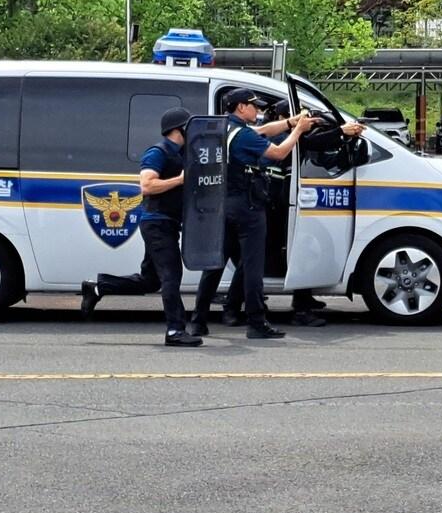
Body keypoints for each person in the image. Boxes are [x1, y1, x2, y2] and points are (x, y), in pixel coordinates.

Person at [220, 99, 365, 328]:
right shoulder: (269, 136)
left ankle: (299, 302)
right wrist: (338, 132)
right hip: (271, 207)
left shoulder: (258, 131)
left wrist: (342, 137)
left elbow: (316, 150)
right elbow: (302, 144)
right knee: (254, 259)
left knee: (275, 255)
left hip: (277, 205)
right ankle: (238, 308)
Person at [189, 89, 313, 340]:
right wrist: (297, 132)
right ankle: (256, 324)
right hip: (248, 207)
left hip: (223, 206)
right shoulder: (244, 135)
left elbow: (263, 132)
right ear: (241, 107)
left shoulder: (224, 129)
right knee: (253, 266)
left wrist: (290, 122)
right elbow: (278, 153)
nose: (257, 111)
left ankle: (198, 321)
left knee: (214, 265)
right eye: (253, 106)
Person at [124, 107, 204, 346]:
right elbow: (147, 186)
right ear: (179, 129)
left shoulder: (180, 153)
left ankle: (98, 286)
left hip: (167, 223)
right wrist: (180, 179)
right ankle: (175, 331)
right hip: (157, 223)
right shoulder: (158, 152)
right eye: (189, 127)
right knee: (171, 275)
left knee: (150, 280)